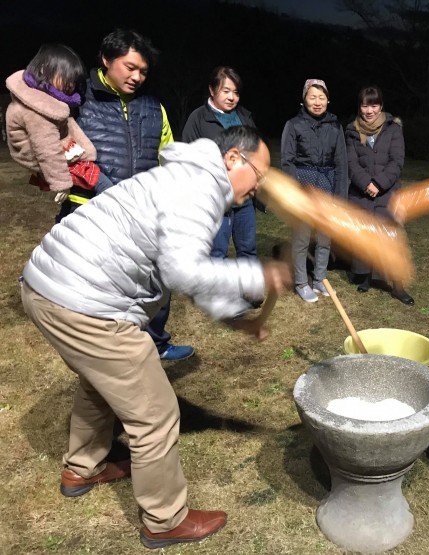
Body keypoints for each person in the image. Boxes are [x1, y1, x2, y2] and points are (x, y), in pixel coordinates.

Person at [21, 125, 291, 549]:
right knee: (155, 414)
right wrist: (259, 274)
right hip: (83, 301)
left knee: (101, 380)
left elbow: (181, 269)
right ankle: (165, 520)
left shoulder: (187, 176)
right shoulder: (201, 188)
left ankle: (83, 467)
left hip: (48, 285)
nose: (258, 187)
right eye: (259, 174)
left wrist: (238, 318)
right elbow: (184, 272)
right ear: (233, 159)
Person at [70, 29, 193, 362]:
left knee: (157, 282)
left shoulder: (153, 107)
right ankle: (106, 357)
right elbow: (62, 148)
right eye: (130, 67)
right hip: (92, 211)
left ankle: (156, 344)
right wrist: (100, 185)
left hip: (144, 212)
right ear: (106, 60)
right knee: (102, 292)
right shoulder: (79, 100)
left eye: (143, 71)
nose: (137, 77)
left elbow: (168, 156)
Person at [5, 44, 112, 203]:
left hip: (62, 158)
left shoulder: (43, 99)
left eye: (73, 80)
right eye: (66, 77)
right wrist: (61, 183)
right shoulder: (38, 109)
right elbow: (47, 149)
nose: (71, 85)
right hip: (59, 162)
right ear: (45, 70)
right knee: (106, 187)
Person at [345, 85, 414, 305]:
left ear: (381, 106)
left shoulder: (393, 129)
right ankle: (366, 277)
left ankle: (398, 285)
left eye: (374, 105)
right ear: (360, 107)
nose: (369, 110)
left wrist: (379, 183)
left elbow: (397, 161)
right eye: (365, 105)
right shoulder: (352, 131)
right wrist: (366, 183)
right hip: (361, 193)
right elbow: (351, 163)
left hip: (387, 192)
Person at [281, 78, 348, 303]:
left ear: (328, 100)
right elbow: (287, 161)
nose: (317, 102)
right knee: (302, 237)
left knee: (324, 237)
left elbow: (341, 163)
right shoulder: (294, 125)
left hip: (327, 184)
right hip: (303, 183)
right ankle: (301, 282)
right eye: (312, 97)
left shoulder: (335, 126)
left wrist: (340, 196)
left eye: (321, 97)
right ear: (304, 99)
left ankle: (320, 278)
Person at [183, 66, 259, 261]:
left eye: (236, 92)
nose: (232, 97)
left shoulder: (244, 117)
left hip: (244, 201)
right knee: (216, 254)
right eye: (226, 91)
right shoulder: (198, 118)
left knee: (248, 251)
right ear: (212, 89)